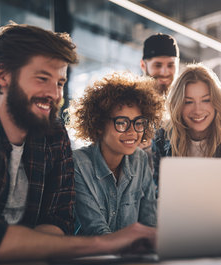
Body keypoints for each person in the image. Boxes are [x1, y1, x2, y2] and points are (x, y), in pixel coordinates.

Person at [0, 23, 155, 265]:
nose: (54, 93)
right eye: (42, 78)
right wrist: (105, 244)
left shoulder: (53, 136)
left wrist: (22, 249)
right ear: (3, 76)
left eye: (60, 83)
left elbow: (58, 221)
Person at [70, 72, 163, 236]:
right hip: (91, 258)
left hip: (133, 257)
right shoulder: (78, 163)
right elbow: (97, 231)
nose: (132, 131)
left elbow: (150, 222)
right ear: (99, 125)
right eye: (122, 123)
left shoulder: (140, 160)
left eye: (139, 123)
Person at [152, 63, 221, 185]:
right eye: (188, 102)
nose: (197, 110)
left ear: (216, 102)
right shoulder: (162, 135)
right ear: (178, 106)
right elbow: (157, 189)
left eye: (206, 100)